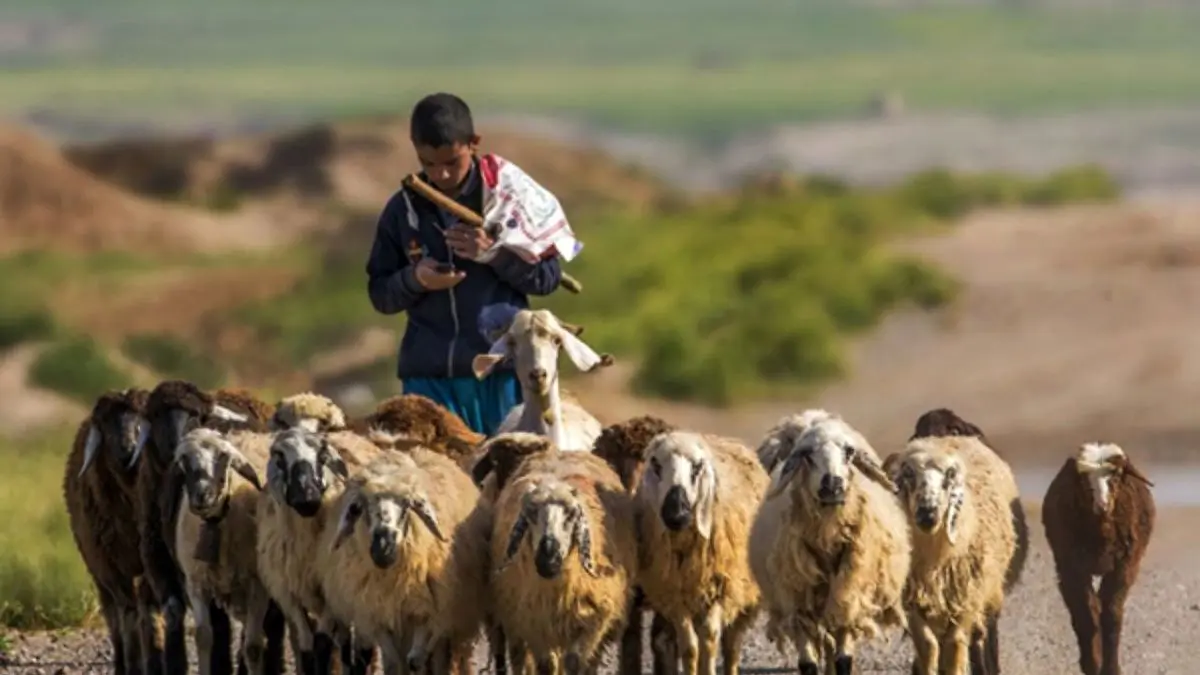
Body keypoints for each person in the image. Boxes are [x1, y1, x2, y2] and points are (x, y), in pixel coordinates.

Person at [365, 92, 563, 436]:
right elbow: (380, 294)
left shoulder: (510, 200)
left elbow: (547, 278)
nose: (441, 174)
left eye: (451, 162)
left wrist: (495, 254)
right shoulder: (402, 210)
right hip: (429, 381)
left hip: (502, 375)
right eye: (428, 164)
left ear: (473, 143)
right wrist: (416, 279)